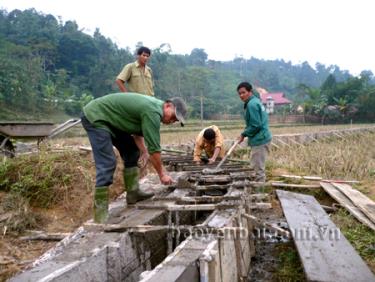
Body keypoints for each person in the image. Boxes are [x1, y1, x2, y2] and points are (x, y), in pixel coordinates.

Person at [81, 92, 187, 223]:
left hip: (111, 121)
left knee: (131, 151)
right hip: (97, 117)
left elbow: (138, 134)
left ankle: (133, 193)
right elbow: (154, 150)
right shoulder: (153, 111)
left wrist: (143, 151)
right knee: (107, 162)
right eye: (174, 117)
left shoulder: (153, 110)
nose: (172, 121)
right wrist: (162, 174)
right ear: (168, 105)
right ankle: (100, 215)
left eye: (175, 121)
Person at [236, 82, 272, 182]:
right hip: (262, 137)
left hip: (260, 139)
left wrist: (243, 134)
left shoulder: (251, 105)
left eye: (243, 92)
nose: (241, 95)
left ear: (250, 92)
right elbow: (253, 123)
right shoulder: (256, 101)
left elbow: (256, 125)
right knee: (257, 166)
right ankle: (259, 190)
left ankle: (259, 194)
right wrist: (244, 133)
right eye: (239, 93)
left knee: (257, 170)